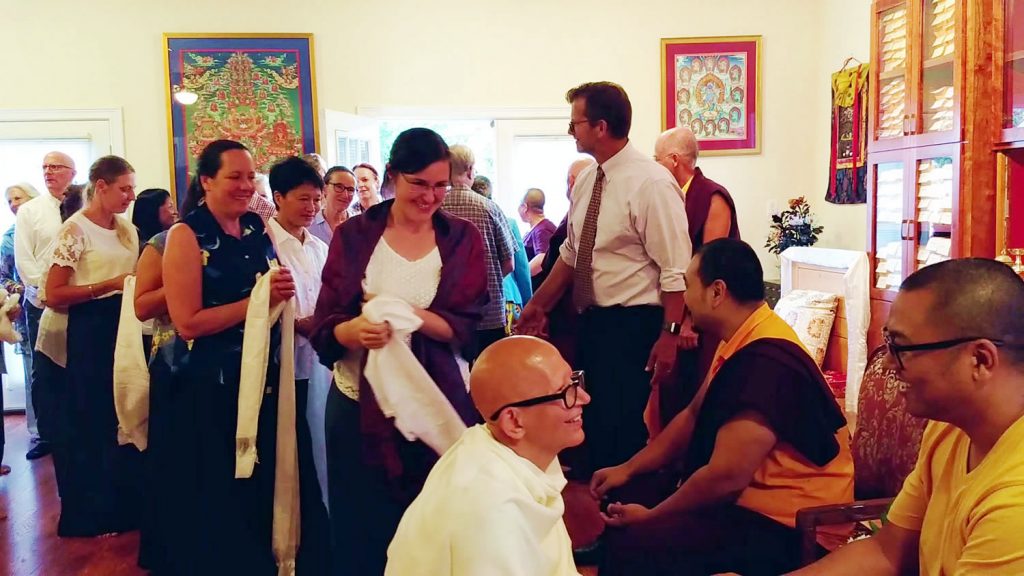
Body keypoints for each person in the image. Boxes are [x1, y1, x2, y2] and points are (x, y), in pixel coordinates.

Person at [591, 239, 854, 576]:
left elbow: (726, 477)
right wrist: (627, 468)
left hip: (791, 526)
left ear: (717, 292)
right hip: (749, 504)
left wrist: (654, 516)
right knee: (623, 489)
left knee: (636, 542)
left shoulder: (765, 361)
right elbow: (693, 415)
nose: (684, 298)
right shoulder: (742, 336)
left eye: (688, 285)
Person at [311, 128, 487, 575]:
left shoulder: (460, 237)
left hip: (436, 399)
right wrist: (355, 330)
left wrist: (406, 313)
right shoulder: (355, 235)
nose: (431, 197)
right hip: (358, 400)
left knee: (433, 519)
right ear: (393, 176)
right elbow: (327, 321)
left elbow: (466, 327)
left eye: (440, 185)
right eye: (419, 184)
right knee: (361, 522)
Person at [791, 259, 1024, 575]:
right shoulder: (948, 429)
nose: (886, 363)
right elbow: (887, 551)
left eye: (901, 347)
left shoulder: (1015, 503)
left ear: (980, 360)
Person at [518, 81, 692, 474]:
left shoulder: (652, 183)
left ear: (600, 126)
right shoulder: (587, 181)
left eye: (574, 122)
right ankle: (599, 515)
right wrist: (537, 305)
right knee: (593, 422)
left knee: (623, 427)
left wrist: (670, 334)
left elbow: (676, 269)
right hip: (593, 319)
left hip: (634, 323)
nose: (570, 130)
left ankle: (629, 520)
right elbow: (572, 254)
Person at [162, 139, 295, 575]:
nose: (245, 186)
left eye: (249, 176)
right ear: (206, 181)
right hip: (209, 380)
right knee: (216, 481)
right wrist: (259, 301)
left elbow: (275, 290)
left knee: (256, 478)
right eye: (233, 177)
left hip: (261, 374)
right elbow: (187, 322)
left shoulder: (257, 228)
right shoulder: (186, 235)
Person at [386, 336, 587, 576]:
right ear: (514, 422)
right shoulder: (490, 508)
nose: (584, 398)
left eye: (575, 381)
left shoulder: (516, 451)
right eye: (564, 392)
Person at [45, 155, 142, 537]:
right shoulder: (74, 230)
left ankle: (125, 506)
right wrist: (108, 285)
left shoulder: (126, 230)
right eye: (124, 188)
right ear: (100, 187)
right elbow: (54, 293)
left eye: (132, 188)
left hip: (122, 324)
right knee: (93, 417)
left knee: (125, 410)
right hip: (88, 326)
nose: (130, 196)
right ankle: (93, 512)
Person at [651, 125, 742, 432]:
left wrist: (689, 320)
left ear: (674, 159)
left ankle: (694, 462)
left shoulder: (711, 196)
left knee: (698, 391)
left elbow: (710, 266)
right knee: (670, 390)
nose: (654, 164)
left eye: (657, 158)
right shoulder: (671, 196)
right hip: (675, 310)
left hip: (704, 314)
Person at [266, 156, 332, 574]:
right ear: (278, 198)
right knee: (289, 454)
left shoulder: (319, 246)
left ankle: (319, 538)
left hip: (318, 360)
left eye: (316, 198)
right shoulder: (265, 244)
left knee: (317, 447)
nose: (311, 207)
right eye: (303, 198)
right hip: (281, 363)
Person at [15, 151, 76, 461]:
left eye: (56, 167)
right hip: (42, 301)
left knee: (76, 363)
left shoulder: (83, 204)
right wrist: (44, 293)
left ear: (71, 172)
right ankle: (47, 434)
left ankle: (77, 427)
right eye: (45, 167)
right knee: (45, 370)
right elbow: (24, 258)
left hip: (78, 298)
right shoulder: (30, 211)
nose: (49, 172)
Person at [131, 189, 179, 572]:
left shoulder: (247, 239)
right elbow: (142, 306)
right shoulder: (162, 244)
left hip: (229, 366)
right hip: (173, 359)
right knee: (170, 457)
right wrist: (184, 278)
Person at [442, 144, 518, 356]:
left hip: (447, 315)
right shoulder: (489, 208)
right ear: (470, 169)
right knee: (491, 379)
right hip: (489, 312)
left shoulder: (433, 209)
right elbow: (509, 263)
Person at [519, 187, 557, 284]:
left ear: (525, 207)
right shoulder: (541, 227)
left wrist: (521, 277)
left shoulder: (542, 229)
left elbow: (541, 259)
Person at [309, 166, 356, 245]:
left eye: (350, 190)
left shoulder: (359, 226)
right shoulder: (309, 225)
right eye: (339, 187)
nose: (345, 195)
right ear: (324, 189)